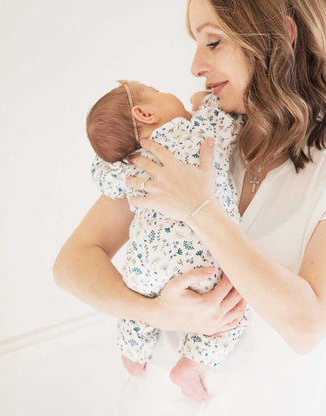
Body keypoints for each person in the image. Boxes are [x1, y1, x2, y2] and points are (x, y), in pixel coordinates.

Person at [53, 0, 326, 414]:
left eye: (214, 42)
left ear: (285, 34)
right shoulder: (187, 137)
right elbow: (72, 263)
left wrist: (201, 209)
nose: (196, 66)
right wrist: (159, 312)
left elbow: (306, 326)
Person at [87, 79, 251, 401]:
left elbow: (104, 176)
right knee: (231, 307)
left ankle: (133, 354)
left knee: (137, 307)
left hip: (143, 262)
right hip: (200, 256)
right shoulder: (193, 133)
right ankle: (191, 365)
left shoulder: (133, 163)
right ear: (145, 112)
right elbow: (226, 122)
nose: (170, 94)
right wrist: (205, 101)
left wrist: (113, 155)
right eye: (158, 92)